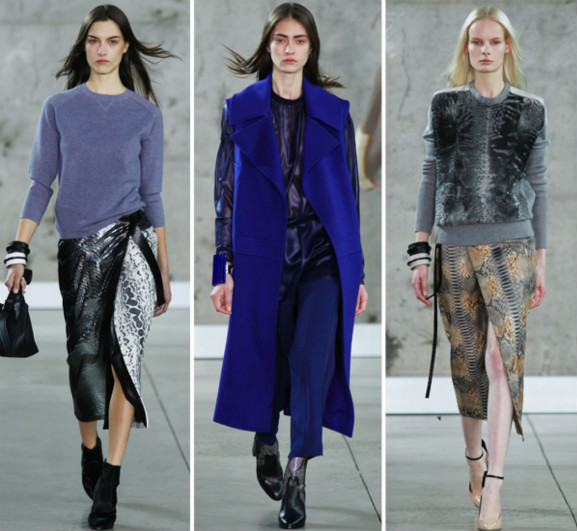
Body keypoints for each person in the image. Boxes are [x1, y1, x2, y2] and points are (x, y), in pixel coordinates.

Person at [3, 5, 174, 530]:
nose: (102, 49)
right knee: (85, 363)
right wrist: (17, 249)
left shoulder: (145, 115)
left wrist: (165, 269)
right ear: (85, 47)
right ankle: (90, 447)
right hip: (78, 249)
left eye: (112, 40)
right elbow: (41, 183)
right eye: (94, 41)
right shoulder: (60, 108)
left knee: (125, 364)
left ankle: (111, 481)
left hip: (133, 247)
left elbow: (153, 195)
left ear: (126, 47)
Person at [209, 3, 367, 529]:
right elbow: (224, 195)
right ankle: (266, 440)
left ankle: (297, 474)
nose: (290, 48)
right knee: (269, 357)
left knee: (309, 358)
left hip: (323, 255)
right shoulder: (239, 110)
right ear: (269, 46)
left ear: (310, 48)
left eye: (299, 40)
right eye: (281, 39)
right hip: (263, 256)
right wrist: (221, 270)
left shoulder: (335, 113)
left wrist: (358, 272)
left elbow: (349, 197)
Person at [408, 6, 548, 531]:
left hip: (514, 245)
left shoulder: (531, 110)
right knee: (468, 362)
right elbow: (430, 175)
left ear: (507, 47)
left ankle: (494, 487)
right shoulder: (444, 105)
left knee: (500, 359)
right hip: (454, 247)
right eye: (476, 42)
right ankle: (474, 458)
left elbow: (540, 185)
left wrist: (542, 259)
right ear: (466, 48)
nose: (484, 50)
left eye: (493, 42)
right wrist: (419, 249)